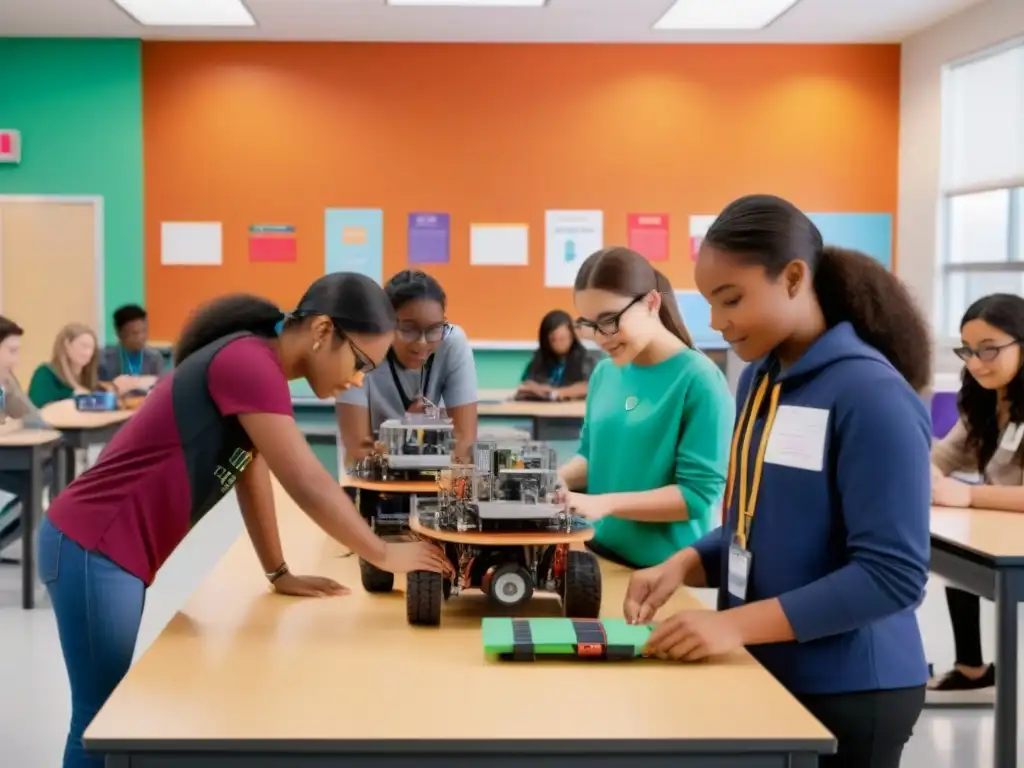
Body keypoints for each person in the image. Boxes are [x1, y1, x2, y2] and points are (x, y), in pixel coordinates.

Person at [36, 273, 452, 768]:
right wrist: (382, 552)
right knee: (98, 722)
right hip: (93, 546)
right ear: (322, 331)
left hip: (112, 553)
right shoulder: (249, 363)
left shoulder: (258, 366)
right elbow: (306, 480)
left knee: (103, 720)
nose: (358, 380)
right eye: (361, 363)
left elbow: (251, 469)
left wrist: (278, 572)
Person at [623, 195, 932, 768]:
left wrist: (731, 624)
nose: (716, 322)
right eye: (710, 301)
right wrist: (686, 562)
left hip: (852, 688)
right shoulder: (761, 381)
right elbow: (756, 521)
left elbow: (892, 576)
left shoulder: (870, 394)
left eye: (732, 299)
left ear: (793, 278)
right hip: (770, 666)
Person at [555, 246, 733, 570]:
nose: (601, 337)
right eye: (589, 324)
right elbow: (593, 457)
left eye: (609, 321)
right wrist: (554, 480)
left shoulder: (700, 380)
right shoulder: (605, 372)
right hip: (599, 555)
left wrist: (604, 504)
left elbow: (695, 496)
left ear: (651, 303)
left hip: (666, 573)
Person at [929, 293, 1024, 696]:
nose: (976, 362)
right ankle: (971, 669)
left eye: (990, 349)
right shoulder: (985, 400)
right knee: (956, 561)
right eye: (969, 350)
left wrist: (968, 498)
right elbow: (943, 455)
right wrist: (930, 472)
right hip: (1000, 528)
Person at [336, 269, 478, 464]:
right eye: (408, 329)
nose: (422, 343)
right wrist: (407, 431)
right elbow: (358, 447)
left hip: (432, 477)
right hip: (371, 480)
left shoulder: (452, 342)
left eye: (434, 329)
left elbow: (464, 441)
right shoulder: (358, 347)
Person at [0, 316, 51, 553]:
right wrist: (15, 425)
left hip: (7, 453)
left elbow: (32, 418)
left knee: (47, 470)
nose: (16, 360)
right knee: (33, 481)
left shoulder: (6, 380)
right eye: (11, 351)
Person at [516, 309, 595, 401]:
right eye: (554, 339)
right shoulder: (540, 356)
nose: (559, 344)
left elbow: (591, 386)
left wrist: (558, 392)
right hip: (542, 409)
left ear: (572, 337)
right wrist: (538, 389)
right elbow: (525, 384)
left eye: (563, 339)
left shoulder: (584, 358)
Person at [28, 322, 98, 407]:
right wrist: (73, 400)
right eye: (84, 346)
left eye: (92, 348)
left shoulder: (90, 378)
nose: (88, 353)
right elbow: (39, 410)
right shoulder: (45, 374)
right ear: (67, 344)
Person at [97, 304, 165, 392]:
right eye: (134, 333)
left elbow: (161, 387)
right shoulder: (104, 358)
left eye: (144, 331)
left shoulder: (154, 358)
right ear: (119, 333)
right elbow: (97, 386)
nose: (141, 337)